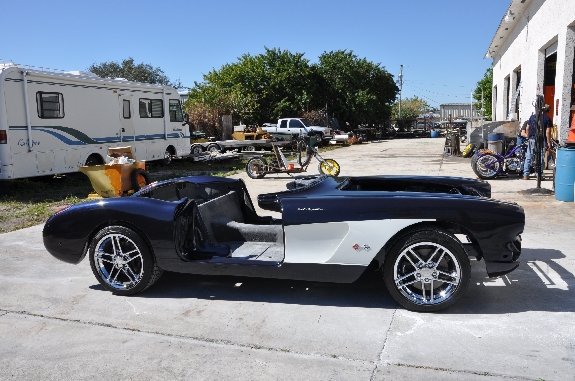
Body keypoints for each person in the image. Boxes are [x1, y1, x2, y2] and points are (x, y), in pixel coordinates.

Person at [523, 111, 552, 180]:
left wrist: (528, 137)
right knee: (540, 157)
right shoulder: (547, 118)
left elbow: (527, 128)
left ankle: (526, 175)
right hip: (541, 140)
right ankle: (539, 175)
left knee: (529, 156)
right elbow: (548, 132)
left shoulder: (532, 117)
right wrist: (549, 142)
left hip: (532, 139)